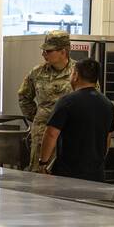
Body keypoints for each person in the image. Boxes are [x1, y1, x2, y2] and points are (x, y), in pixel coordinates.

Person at [36, 58, 114, 182]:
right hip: (96, 175)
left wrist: (43, 162)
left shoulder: (67, 101)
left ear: (76, 76)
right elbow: (108, 138)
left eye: (72, 73)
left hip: (68, 174)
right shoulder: (108, 104)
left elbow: (51, 133)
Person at [17, 30, 74, 171]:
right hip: (43, 134)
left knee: (67, 175)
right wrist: (38, 117)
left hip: (70, 133)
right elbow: (24, 96)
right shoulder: (37, 72)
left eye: (48, 51)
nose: (44, 54)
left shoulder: (78, 72)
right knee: (39, 173)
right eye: (43, 51)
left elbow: (90, 99)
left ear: (63, 51)